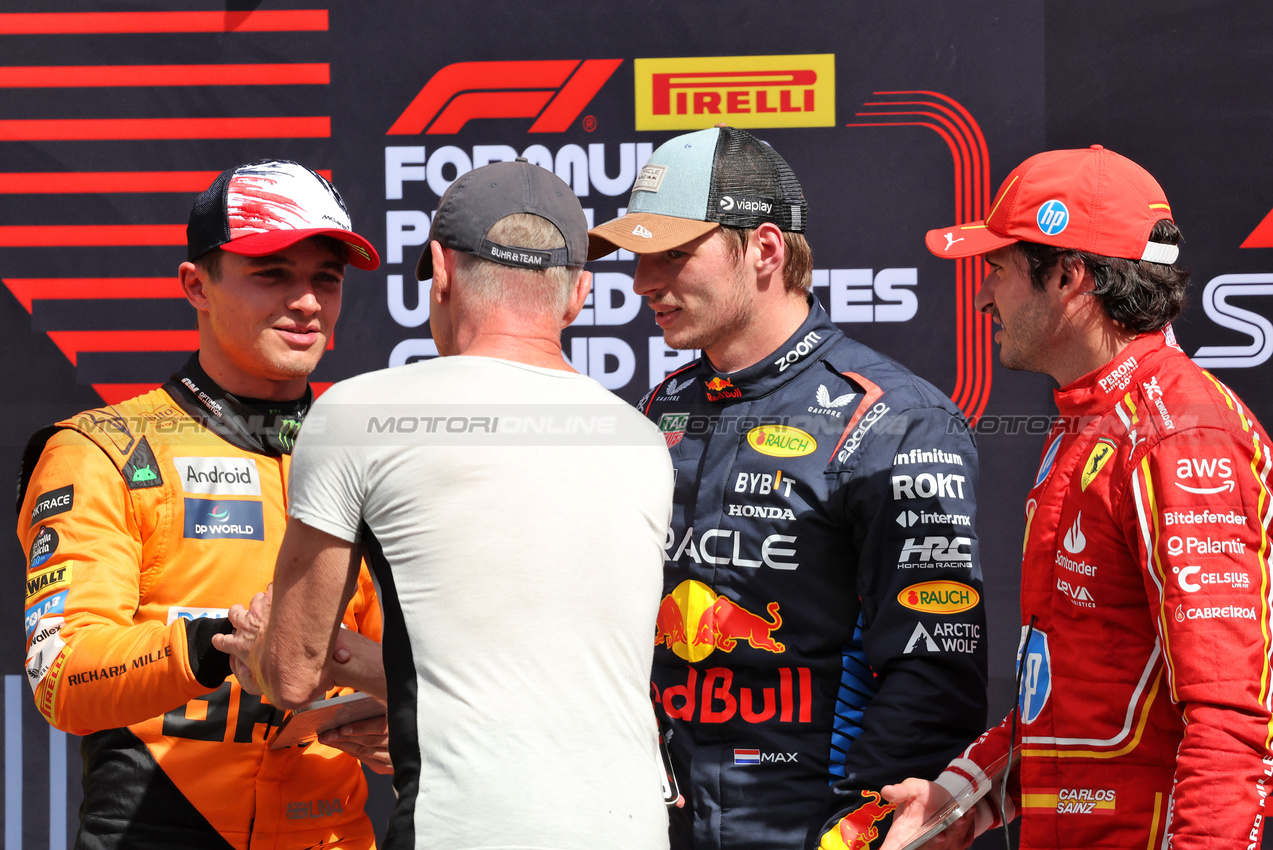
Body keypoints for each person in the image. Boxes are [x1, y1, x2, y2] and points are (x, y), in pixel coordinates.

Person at [222, 158, 674, 850]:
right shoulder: (642, 439)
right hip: (632, 829)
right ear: (578, 294)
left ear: (440, 271)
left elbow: (290, 670)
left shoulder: (360, 412)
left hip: (463, 829)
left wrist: (252, 652)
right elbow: (526, 664)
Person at [587, 125, 989, 850]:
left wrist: (860, 828)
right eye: (640, 259)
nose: (643, 282)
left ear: (765, 249)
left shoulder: (893, 418)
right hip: (663, 822)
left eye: (673, 255)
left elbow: (934, 662)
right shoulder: (662, 407)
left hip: (816, 826)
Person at [880, 145, 1273, 850]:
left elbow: (1229, 716)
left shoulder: (1178, 436)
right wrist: (963, 792)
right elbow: (1078, 691)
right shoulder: (1090, 419)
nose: (980, 295)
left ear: (1068, 275)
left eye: (995, 270)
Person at [16, 159, 388, 850]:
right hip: (158, 833)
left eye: (325, 279)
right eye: (272, 273)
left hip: (336, 836)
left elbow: (385, 656)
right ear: (197, 285)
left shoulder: (367, 452)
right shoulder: (104, 450)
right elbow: (62, 676)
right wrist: (214, 643)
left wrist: (399, 718)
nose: (306, 301)